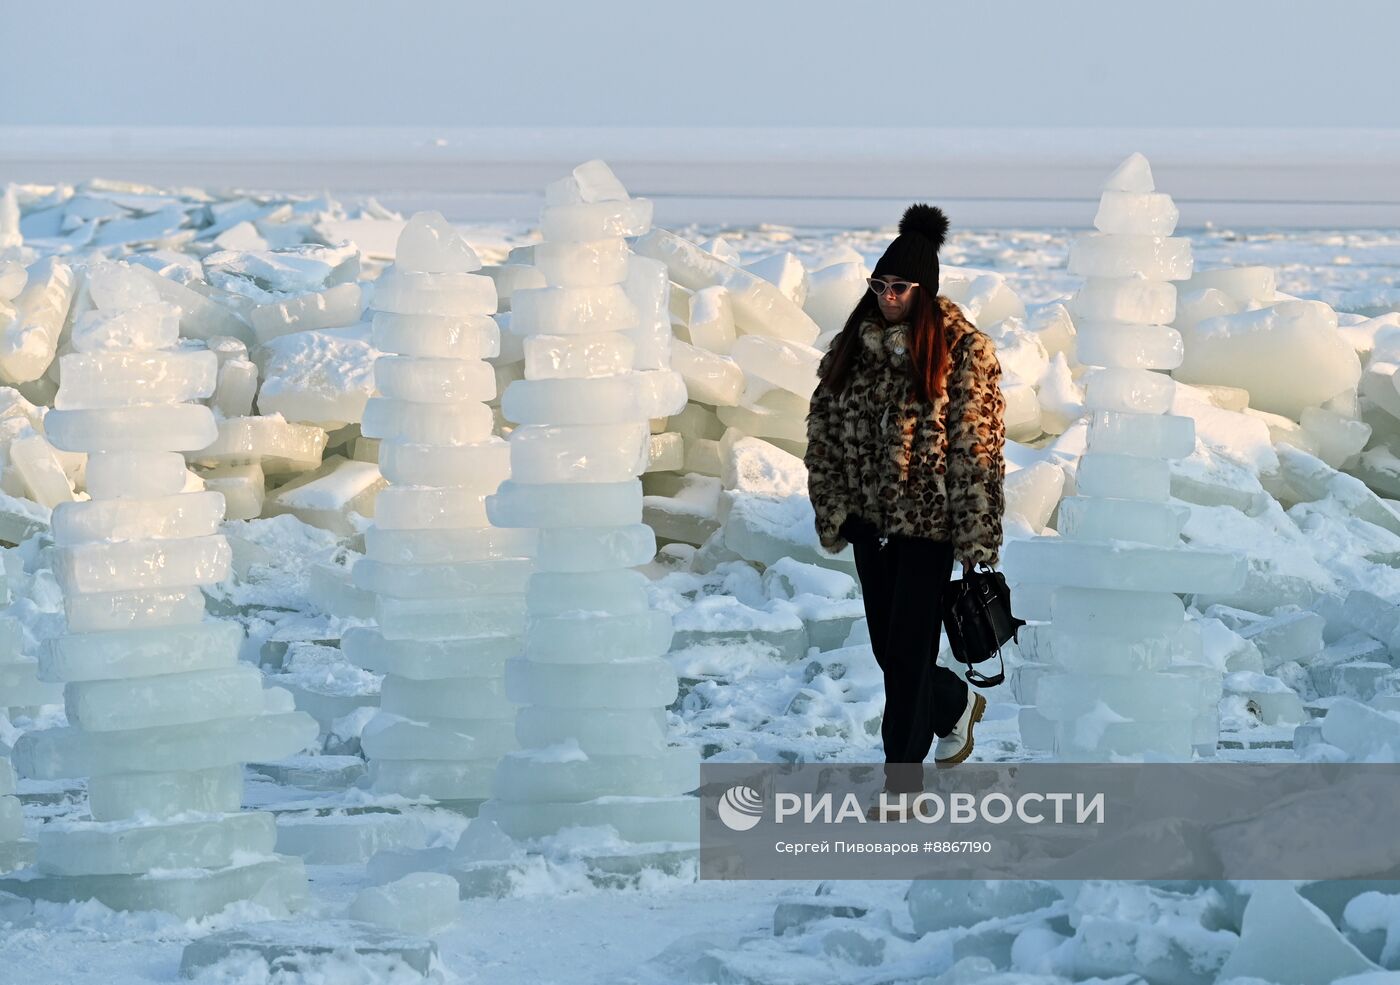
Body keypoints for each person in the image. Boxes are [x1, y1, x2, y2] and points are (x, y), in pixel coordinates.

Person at [803, 203, 1007, 821]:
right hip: (870, 522)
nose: (887, 297)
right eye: (878, 285)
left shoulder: (963, 350)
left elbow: (981, 444)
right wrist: (835, 503)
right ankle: (951, 706)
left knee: (910, 646)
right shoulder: (852, 348)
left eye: (899, 288)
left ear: (925, 291)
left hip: (929, 524)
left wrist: (975, 533)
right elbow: (823, 429)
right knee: (890, 652)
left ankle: (902, 788)